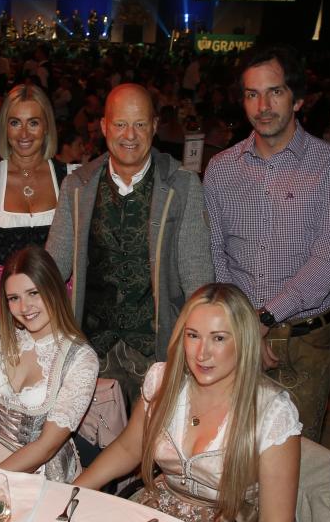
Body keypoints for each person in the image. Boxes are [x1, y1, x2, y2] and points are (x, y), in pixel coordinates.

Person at [75, 283, 302, 522]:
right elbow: (128, 449)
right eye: (193, 335)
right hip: (160, 515)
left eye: (218, 338)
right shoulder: (163, 381)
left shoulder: (273, 411)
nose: (202, 353)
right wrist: (73, 492)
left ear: (244, 341)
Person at [203, 46, 330, 442]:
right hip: (235, 338)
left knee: (297, 460)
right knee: (230, 454)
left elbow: (329, 261)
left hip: (302, 344)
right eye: (252, 94)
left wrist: (264, 319)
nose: (263, 106)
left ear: (298, 99)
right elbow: (215, 253)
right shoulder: (221, 169)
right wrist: (244, 325)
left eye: (275, 92)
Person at [46, 82, 213, 407]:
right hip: (94, 351)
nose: (130, 135)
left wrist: (197, 348)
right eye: (120, 124)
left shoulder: (182, 185)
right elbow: (53, 267)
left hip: (157, 353)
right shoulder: (77, 186)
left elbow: (198, 278)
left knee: (154, 438)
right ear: (104, 126)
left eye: (140, 124)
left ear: (154, 126)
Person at [0, 246, 98, 482]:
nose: (24, 307)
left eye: (33, 293)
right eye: (14, 298)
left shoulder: (81, 359)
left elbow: (46, 447)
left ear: (54, 289)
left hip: (40, 475)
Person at [0, 84, 68, 361]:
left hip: (55, 302)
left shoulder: (70, 178)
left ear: (47, 127)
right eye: (15, 122)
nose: (24, 133)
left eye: (34, 123)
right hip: (2, 305)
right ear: (4, 129)